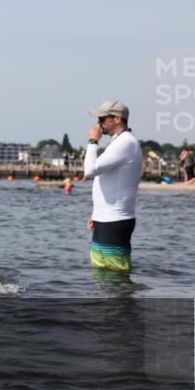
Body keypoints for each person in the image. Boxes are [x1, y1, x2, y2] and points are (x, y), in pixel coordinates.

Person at [84, 100, 143, 273]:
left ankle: (122, 302)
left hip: (116, 220)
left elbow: (90, 170)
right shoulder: (118, 142)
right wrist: (97, 214)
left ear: (117, 119)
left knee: (115, 275)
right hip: (107, 218)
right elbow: (107, 178)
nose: (98, 123)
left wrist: (93, 141)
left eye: (103, 118)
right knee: (101, 273)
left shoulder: (126, 142)